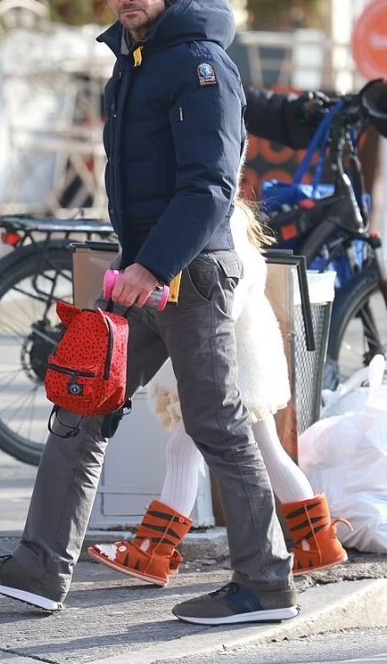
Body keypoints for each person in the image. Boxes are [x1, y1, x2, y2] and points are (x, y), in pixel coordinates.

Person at [0, 0, 299, 626]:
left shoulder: (199, 63)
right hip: (147, 275)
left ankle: (264, 582)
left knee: (216, 423)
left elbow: (207, 186)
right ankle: (40, 568)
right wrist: (137, 264)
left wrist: (151, 264)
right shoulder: (136, 59)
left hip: (190, 273)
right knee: (82, 406)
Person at [88, 199, 350, 586]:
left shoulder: (215, 232)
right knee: (266, 452)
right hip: (245, 362)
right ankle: (318, 540)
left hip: (230, 364)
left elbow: (221, 303)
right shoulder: (227, 226)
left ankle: (153, 552)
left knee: (183, 450)